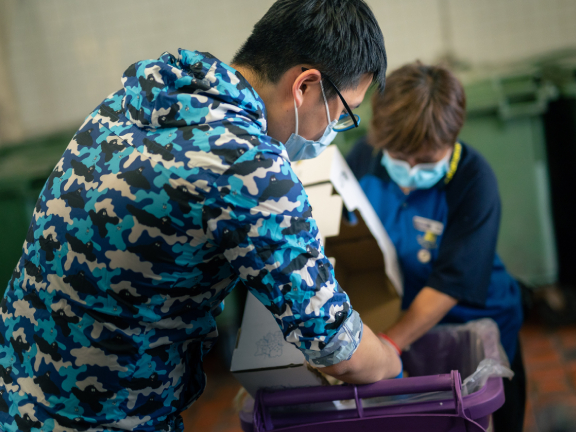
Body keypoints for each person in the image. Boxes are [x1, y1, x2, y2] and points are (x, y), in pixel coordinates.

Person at [0, 1, 401, 430]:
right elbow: (337, 345)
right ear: (304, 86)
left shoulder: (143, 95)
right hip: (99, 416)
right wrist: (393, 360)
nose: (334, 130)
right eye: (343, 113)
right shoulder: (249, 164)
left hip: (16, 387)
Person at [346, 62, 526, 431]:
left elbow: (451, 282)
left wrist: (387, 345)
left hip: (476, 320)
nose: (411, 172)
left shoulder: (474, 179)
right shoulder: (363, 160)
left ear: (452, 139)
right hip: (407, 320)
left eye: (426, 162)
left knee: (487, 415)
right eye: (399, 158)